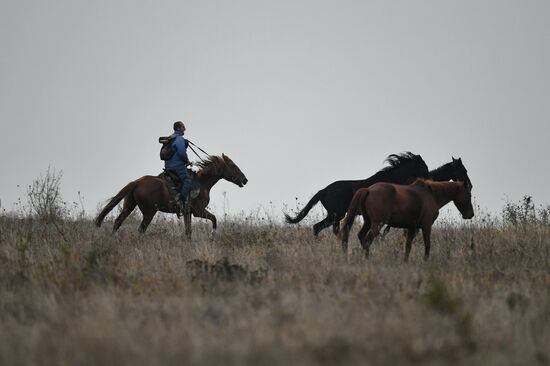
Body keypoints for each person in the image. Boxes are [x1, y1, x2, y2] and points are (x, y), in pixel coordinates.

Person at [165, 121, 192, 210]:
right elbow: (181, 153)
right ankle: (180, 202)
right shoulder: (179, 139)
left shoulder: (170, 138)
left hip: (168, 166)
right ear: (178, 128)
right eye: (183, 127)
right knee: (188, 181)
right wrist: (187, 161)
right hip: (177, 166)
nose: (185, 129)